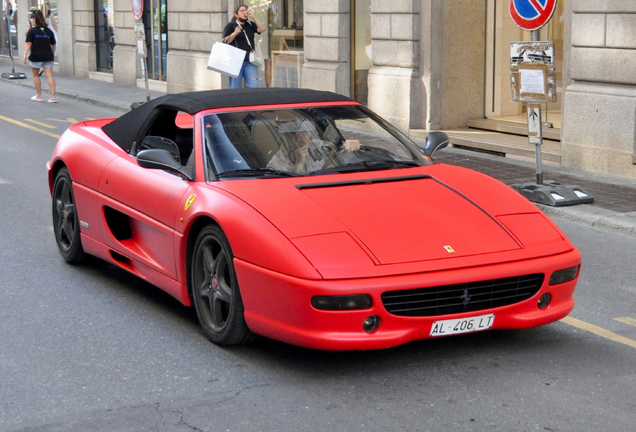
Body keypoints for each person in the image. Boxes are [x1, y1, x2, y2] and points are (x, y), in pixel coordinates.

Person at [268, 119, 361, 174]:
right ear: (285, 136)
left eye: (306, 132)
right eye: (296, 133)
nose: (303, 136)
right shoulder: (276, 164)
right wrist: (300, 164)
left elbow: (340, 156)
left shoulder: (320, 145)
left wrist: (349, 147)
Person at [222, 5, 265, 89]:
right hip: (236, 61)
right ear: (236, 14)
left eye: (246, 10)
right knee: (235, 88)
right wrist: (235, 33)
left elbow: (262, 29)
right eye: (241, 11)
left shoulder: (250, 24)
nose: (244, 12)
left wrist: (253, 16)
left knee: (254, 85)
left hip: (250, 61)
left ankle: (249, 102)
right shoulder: (231, 25)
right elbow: (225, 41)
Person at [22, 9, 56, 103]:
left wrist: (24, 54)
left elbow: (28, 43)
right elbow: (53, 45)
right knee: (50, 76)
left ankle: (39, 95)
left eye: (32, 19)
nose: (31, 20)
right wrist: (52, 53)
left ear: (35, 19)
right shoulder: (49, 31)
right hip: (48, 56)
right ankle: (53, 97)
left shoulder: (32, 31)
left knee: (35, 76)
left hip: (36, 56)